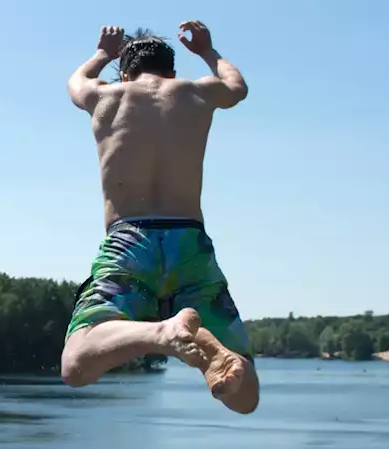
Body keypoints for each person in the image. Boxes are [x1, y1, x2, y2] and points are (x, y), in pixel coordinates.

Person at [61, 21, 259, 414]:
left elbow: (76, 81)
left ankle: (161, 332)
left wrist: (102, 52)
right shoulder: (196, 92)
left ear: (126, 73)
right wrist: (207, 50)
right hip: (189, 243)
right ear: (171, 72)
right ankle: (208, 356)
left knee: (77, 363)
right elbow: (237, 86)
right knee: (246, 398)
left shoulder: (105, 96)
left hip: (130, 241)